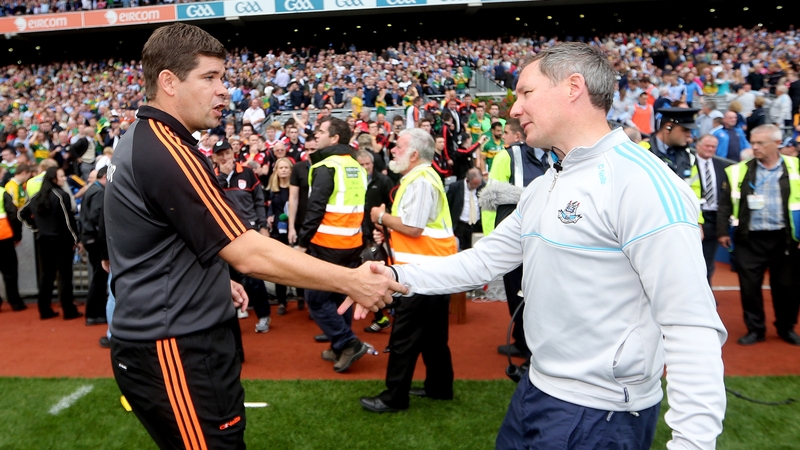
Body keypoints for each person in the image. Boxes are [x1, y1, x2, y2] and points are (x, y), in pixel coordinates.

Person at [346, 42, 727, 449]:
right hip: (535, 389)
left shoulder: (643, 184)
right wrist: (397, 275)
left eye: (526, 93)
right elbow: (482, 262)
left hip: (604, 413)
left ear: (573, 87)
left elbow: (691, 326)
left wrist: (693, 442)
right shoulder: (546, 184)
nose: (513, 109)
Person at [104, 24, 401, 450]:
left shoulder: (147, 140)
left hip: (177, 337)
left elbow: (155, 239)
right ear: (168, 82)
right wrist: (351, 281)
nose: (224, 90)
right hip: (174, 346)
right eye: (210, 78)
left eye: (222, 78)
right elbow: (247, 252)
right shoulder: (165, 150)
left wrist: (210, 282)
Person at [360, 128, 457, 413]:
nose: (392, 149)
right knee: (434, 337)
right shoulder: (423, 178)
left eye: (399, 146)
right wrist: (387, 229)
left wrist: (381, 217)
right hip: (434, 272)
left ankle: (394, 397)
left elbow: (413, 228)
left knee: (405, 336)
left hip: (420, 275)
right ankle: (439, 387)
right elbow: (415, 226)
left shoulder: (420, 180)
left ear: (414, 154)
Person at [296, 116, 372, 371]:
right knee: (342, 294)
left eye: (321, 132)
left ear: (334, 138)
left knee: (315, 299)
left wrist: (303, 243)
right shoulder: (357, 167)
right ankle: (340, 347)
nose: (316, 135)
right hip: (352, 243)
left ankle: (347, 342)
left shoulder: (325, 166)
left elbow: (315, 208)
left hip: (327, 244)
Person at [717, 124, 800, 346]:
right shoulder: (739, 170)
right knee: (749, 288)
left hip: (785, 239)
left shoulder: (795, 168)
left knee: (787, 288)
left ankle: (786, 327)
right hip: (749, 239)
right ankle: (755, 329)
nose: (754, 147)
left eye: (760, 143)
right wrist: (723, 231)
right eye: (752, 143)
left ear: (777, 144)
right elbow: (725, 204)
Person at [211, 140, 273, 332]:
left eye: (227, 153)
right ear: (214, 157)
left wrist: (262, 226)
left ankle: (263, 315)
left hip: (248, 230)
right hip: (223, 232)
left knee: (254, 275)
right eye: (219, 154)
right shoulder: (211, 174)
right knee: (228, 277)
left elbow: (259, 201)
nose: (224, 157)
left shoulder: (247, 172)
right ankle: (237, 312)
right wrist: (221, 176)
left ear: (233, 153)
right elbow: (211, 197)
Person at [19, 167, 82, 321]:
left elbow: (22, 213)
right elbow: (69, 221)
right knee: (65, 275)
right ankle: (68, 310)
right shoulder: (61, 196)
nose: (64, 178)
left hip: (44, 240)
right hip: (61, 241)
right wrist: (75, 239)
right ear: (54, 179)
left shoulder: (37, 196)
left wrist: (36, 228)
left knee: (46, 276)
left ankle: (44, 309)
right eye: (61, 176)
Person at [356, 149, 394, 333]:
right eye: (361, 165)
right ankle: (380, 316)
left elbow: (392, 208)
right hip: (359, 234)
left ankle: (384, 314)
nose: (364, 168)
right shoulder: (353, 182)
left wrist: (382, 229)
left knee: (382, 274)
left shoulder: (384, 181)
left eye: (367, 164)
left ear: (373, 164)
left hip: (381, 236)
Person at [689, 135, 731, 285]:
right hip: (694, 216)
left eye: (713, 147)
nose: (710, 149)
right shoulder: (689, 163)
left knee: (708, 259)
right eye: (707, 146)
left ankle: (707, 292)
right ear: (698, 145)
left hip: (714, 217)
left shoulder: (721, 166)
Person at [80, 166, 109, 325]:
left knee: (98, 277)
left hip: (89, 237)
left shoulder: (92, 190)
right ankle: (93, 313)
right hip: (95, 239)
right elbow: (98, 218)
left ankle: (94, 312)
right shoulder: (99, 192)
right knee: (99, 278)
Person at [267, 157, 294, 316]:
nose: (283, 170)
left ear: (291, 170)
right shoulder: (273, 190)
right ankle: (282, 301)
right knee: (279, 266)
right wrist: (269, 215)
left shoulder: (295, 189)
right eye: (280, 167)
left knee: (299, 263)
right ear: (276, 171)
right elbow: (269, 206)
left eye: (286, 167)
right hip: (277, 230)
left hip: (293, 229)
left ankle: (302, 296)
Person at [650, 107, 699, 180]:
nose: (689, 135)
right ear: (668, 128)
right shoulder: (643, 150)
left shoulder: (689, 155)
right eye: (685, 130)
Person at [0, 185, 25, 312]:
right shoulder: (2, 193)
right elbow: (13, 214)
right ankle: (15, 301)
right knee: (10, 271)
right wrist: (17, 235)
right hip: (3, 237)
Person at [446, 167, 483, 251]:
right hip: (460, 225)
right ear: (468, 180)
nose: (476, 187)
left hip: (476, 226)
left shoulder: (482, 187)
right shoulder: (455, 187)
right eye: (474, 184)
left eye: (478, 184)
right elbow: (448, 206)